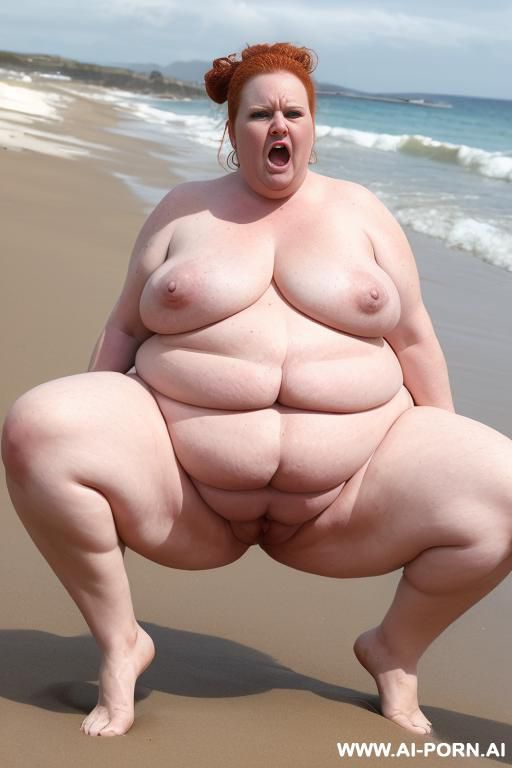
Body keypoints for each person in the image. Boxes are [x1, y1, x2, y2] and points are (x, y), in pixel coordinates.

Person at [2, 42, 512, 739]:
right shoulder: (183, 210)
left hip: (346, 503)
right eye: (259, 113)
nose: (279, 125)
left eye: (293, 113)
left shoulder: (364, 213)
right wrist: (99, 424)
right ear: (231, 127)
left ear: (313, 125)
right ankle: (122, 643)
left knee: (507, 488)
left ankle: (395, 650)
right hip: (187, 495)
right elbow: (123, 326)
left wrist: (442, 443)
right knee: (37, 428)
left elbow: (415, 339)